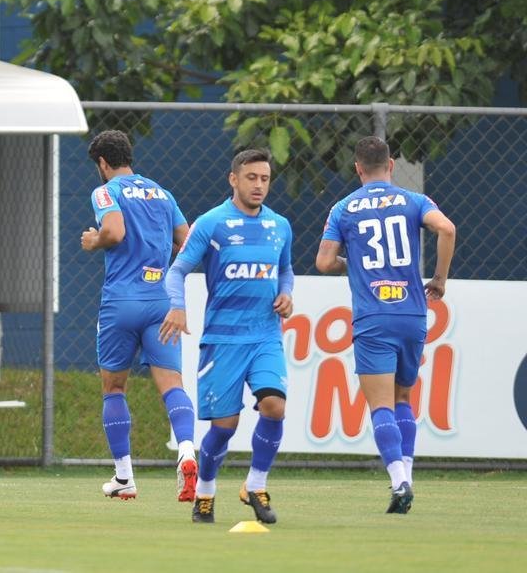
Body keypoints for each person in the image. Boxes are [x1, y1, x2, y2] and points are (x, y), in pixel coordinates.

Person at [315, 136, 455, 514]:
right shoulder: (413, 201)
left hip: (373, 316)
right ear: (390, 165)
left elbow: (324, 262)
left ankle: (398, 480)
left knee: (379, 405)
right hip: (411, 314)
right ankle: (407, 474)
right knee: (404, 398)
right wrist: (440, 279)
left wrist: (354, 265)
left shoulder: (344, 208)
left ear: (357, 168)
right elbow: (447, 229)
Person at [161, 148, 293, 525]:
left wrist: (286, 294)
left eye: (265, 179)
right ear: (233, 179)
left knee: (274, 406)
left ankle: (256, 484)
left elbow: (285, 272)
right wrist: (178, 306)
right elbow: (177, 271)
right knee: (224, 427)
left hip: (265, 335)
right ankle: (204, 491)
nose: (259, 185)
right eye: (251, 178)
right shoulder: (212, 223)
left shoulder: (279, 225)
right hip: (223, 341)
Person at [79, 130, 197, 502]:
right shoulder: (162, 193)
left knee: (114, 387)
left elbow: (113, 231)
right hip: (160, 299)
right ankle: (187, 452)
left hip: (121, 301)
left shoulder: (105, 191)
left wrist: (94, 240)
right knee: (173, 385)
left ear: (102, 163)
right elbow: (188, 239)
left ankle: (125, 477)